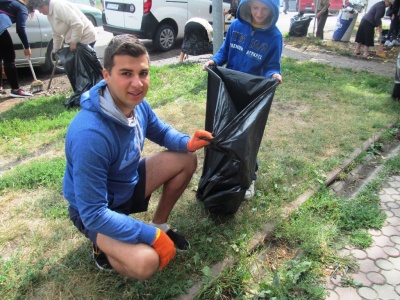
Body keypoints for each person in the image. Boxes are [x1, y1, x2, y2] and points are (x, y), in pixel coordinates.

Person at [62, 34, 213, 280]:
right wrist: (147, 237)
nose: (137, 83)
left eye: (143, 73)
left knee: (186, 158)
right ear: (106, 75)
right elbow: (93, 212)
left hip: (127, 186)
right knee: (145, 262)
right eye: (126, 73)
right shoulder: (89, 134)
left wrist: (187, 142)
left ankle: (160, 223)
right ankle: (103, 244)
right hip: (95, 211)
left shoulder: (137, 104)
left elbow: (161, 131)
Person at [203, 0, 283, 200]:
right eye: (255, 7)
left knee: (247, 137)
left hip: (252, 92)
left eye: (265, 9)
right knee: (223, 130)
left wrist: (274, 75)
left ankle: (249, 178)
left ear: (272, 10)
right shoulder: (237, 26)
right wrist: (214, 61)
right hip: (230, 87)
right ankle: (223, 172)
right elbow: (225, 51)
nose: (259, 13)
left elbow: (272, 65)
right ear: (248, 6)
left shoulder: (274, 36)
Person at [27, 0, 97, 53]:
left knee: (86, 69)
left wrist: (74, 42)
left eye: (39, 9)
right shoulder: (49, 15)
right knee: (79, 69)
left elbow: (78, 24)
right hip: (77, 41)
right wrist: (56, 50)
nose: (40, 12)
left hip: (86, 37)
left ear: (43, 4)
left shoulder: (59, 6)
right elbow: (56, 34)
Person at [0, 0, 33, 98]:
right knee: (9, 58)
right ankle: (16, 89)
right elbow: (20, 28)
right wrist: (27, 47)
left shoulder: (10, 2)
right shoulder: (22, 8)